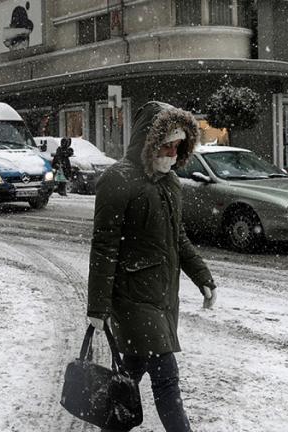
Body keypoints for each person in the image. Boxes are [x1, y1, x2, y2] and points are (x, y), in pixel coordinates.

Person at [86, 101, 217, 432]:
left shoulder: (170, 183)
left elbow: (178, 238)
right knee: (166, 378)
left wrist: (202, 276)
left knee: (131, 371)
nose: (172, 153)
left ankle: (111, 426)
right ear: (148, 141)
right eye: (166, 145)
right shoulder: (118, 180)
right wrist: (98, 307)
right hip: (132, 299)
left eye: (178, 146)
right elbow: (104, 248)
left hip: (162, 298)